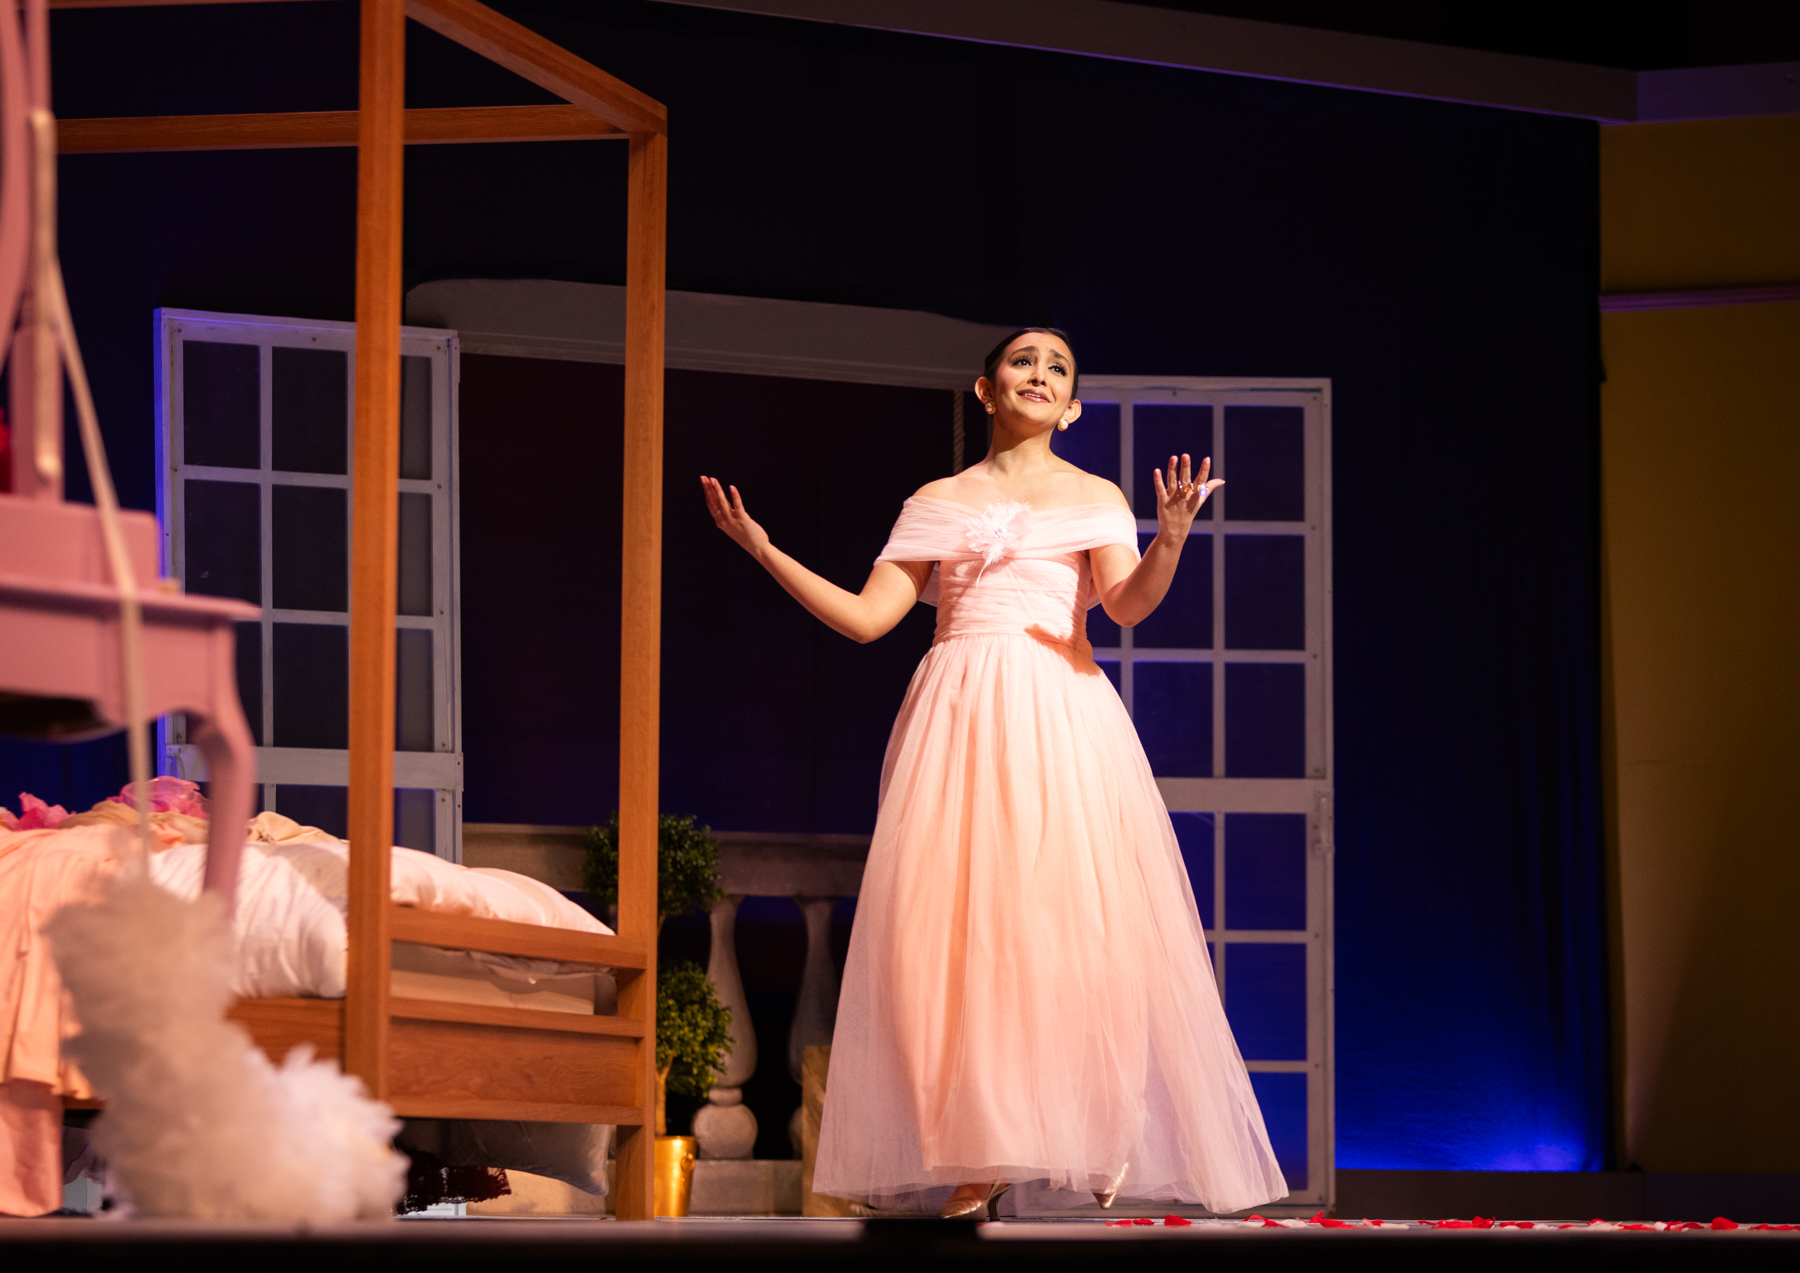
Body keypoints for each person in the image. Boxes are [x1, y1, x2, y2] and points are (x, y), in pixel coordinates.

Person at [700, 328, 1286, 1219]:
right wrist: (763, 549)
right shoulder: (936, 500)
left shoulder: (1093, 495)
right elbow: (867, 618)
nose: (1040, 375)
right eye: (1024, 361)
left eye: (1058, 367)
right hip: (957, 716)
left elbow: (1124, 606)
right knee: (951, 939)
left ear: (1074, 403)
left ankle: (1093, 1123)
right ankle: (980, 1150)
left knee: (1066, 927)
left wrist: (1168, 539)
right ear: (985, 390)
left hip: (1057, 707)